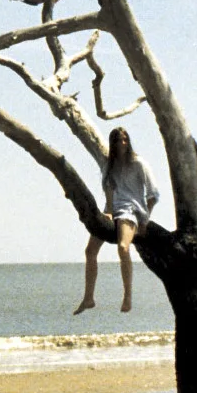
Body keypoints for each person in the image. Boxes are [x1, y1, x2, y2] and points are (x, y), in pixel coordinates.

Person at [74, 127, 160, 315]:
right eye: (117, 140)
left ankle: (127, 295)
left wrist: (145, 219)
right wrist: (110, 212)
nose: (122, 143)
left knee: (123, 247)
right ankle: (89, 298)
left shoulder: (139, 164)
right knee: (90, 251)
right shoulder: (109, 166)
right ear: (112, 143)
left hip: (131, 210)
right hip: (111, 210)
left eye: (124, 139)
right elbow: (108, 190)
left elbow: (153, 194)